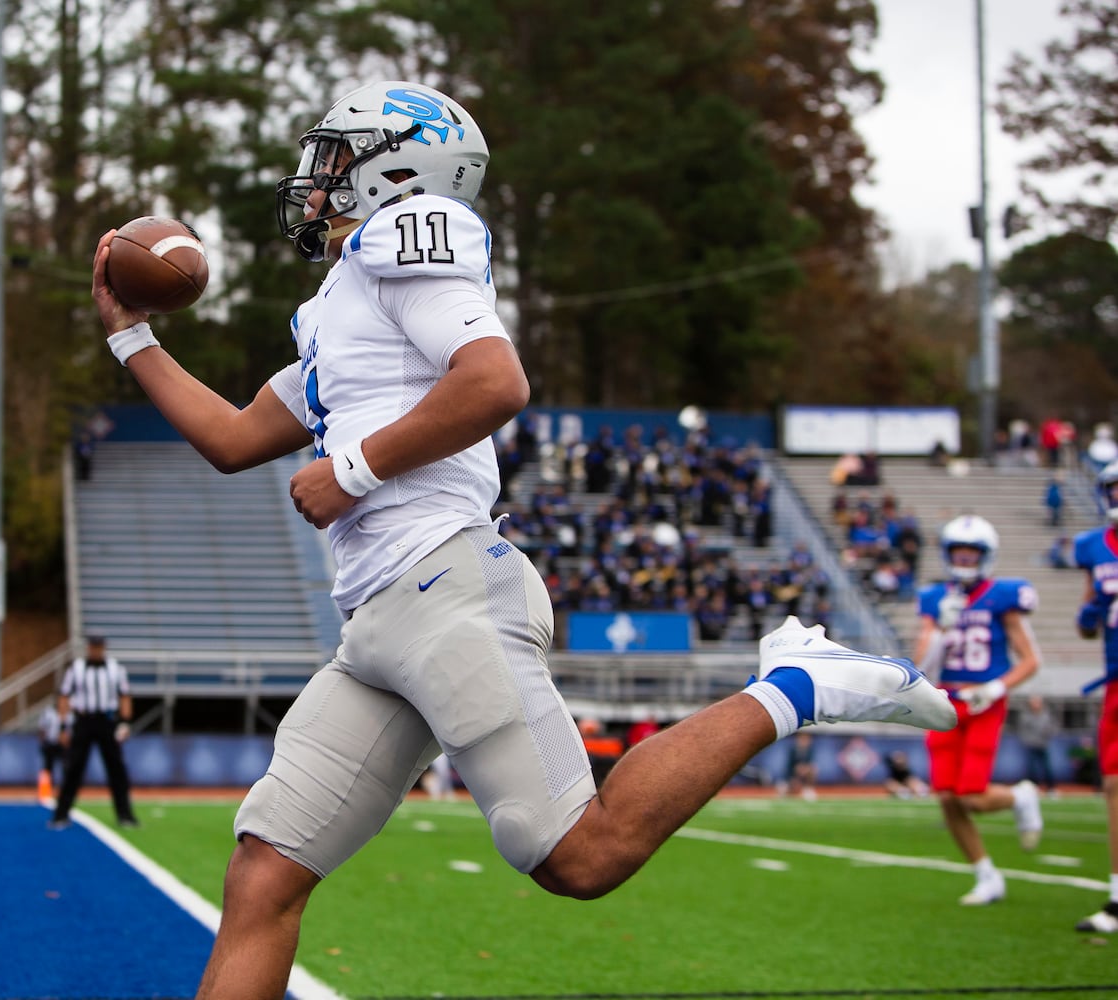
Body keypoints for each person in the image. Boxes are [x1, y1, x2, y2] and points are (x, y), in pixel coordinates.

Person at [91, 79, 957, 997]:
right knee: (263, 872)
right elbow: (231, 439)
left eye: (338, 157)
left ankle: (797, 683)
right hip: (378, 627)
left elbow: (495, 382)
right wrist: (130, 336)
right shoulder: (340, 317)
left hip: (446, 587)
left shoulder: (409, 233)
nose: (318, 178)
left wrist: (349, 474)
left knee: (580, 854)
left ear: (398, 170)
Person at [913, 514, 1044, 906]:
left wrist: (996, 686)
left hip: (985, 701)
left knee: (970, 795)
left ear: (986, 556)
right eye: (959, 553)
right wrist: (939, 631)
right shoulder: (935, 598)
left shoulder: (1003, 595)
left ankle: (1021, 796)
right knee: (947, 797)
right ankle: (986, 875)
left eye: (973, 554)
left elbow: (1030, 660)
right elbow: (921, 666)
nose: (965, 560)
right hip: (944, 701)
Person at [1071, 460, 1118, 932]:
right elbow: (1088, 623)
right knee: (1114, 787)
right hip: (1115, 681)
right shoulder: (1093, 547)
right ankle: (1117, 898)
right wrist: (1091, 615)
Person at [49, 636, 139, 829]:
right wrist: (63, 726)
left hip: (107, 721)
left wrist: (124, 723)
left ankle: (125, 815)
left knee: (116, 769)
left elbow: (125, 696)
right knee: (73, 768)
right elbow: (64, 697)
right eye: (93, 647)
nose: (96, 650)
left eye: (99, 647)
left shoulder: (116, 669)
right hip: (83, 722)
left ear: (104, 648)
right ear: (88, 648)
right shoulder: (76, 668)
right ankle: (61, 814)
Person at [1015, 695, 1057, 796]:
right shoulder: (1025, 716)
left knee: (1047, 768)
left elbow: (1052, 728)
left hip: (1043, 745)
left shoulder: (1046, 715)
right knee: (1031, 768)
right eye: (1034, 703)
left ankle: (1051, 789)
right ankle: (1033, 788)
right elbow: (1022, 730)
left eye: (1038, 703)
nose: (1036, 705)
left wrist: (1047, 735)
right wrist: (1026, 741)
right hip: (1031, 745)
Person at [38, 693, 74, 798]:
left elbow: (73, 731)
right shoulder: (48, 712)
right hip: (50, 743)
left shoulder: (70, 715)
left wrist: (69, 741)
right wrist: (43, 742)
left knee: (66, 767)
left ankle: (64, 790)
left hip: (64, 746)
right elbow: (42, 728)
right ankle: (46, 790)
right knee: (48, 768)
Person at [780, 730, 818, 801]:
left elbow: (810, 763)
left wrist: (805, 769)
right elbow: (789, 766)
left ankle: (808, 789)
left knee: (813, 769)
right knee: (791, 793)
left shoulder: (810, 750)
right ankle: (786, 787)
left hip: (804, 774)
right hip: (792, 775)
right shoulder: (793, 750)